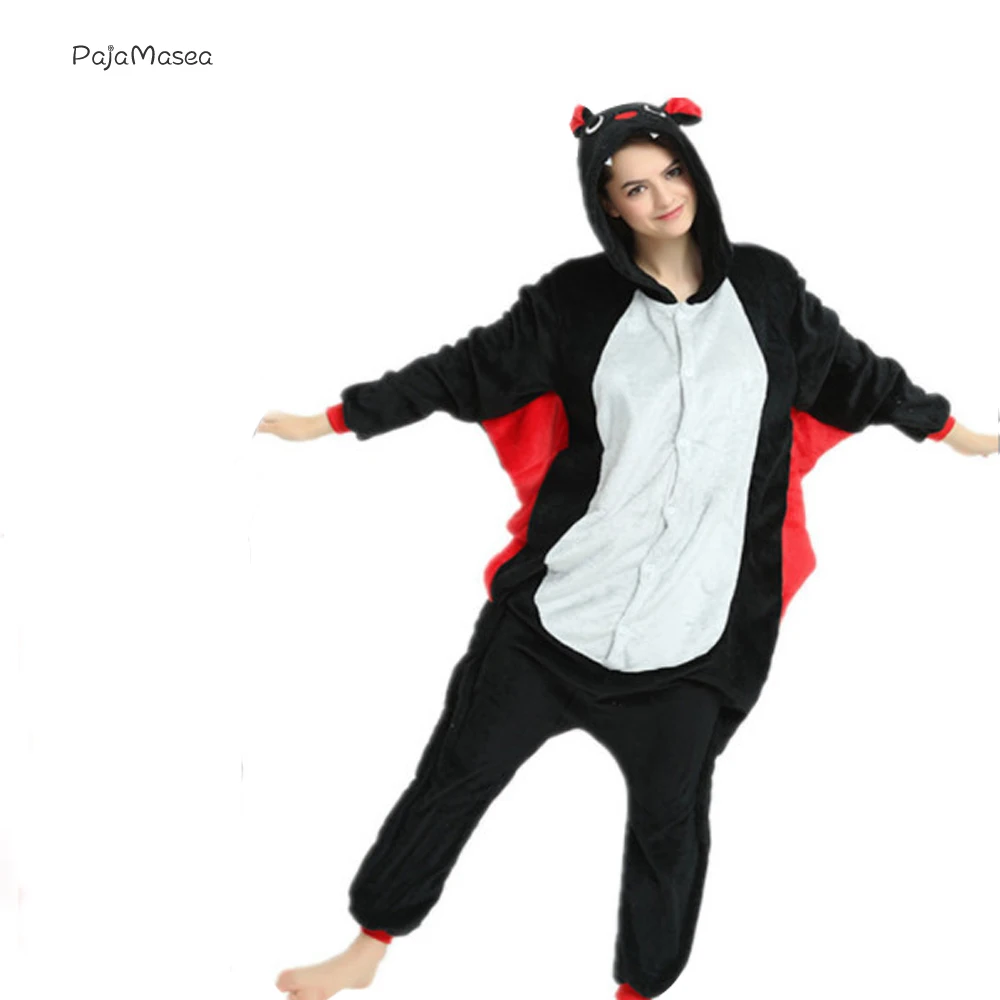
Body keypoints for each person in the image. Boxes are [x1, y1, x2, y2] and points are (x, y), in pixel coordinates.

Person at [256, 97, 997, 1000]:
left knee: (669, 831)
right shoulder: (573, 303)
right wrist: (331, 421)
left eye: (672, 172)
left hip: (692, 636)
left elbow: (858, 374)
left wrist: (955, 432)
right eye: (635, 187)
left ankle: (639, 991)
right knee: (454, 777)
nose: (662, 197)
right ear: (608, 203)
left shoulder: (767, 291)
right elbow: (464, 370)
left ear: (695, 171)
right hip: (557, 618)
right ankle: (367, 948)